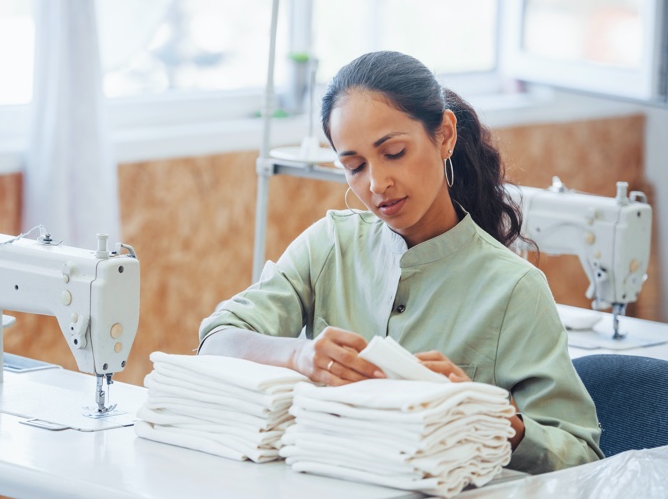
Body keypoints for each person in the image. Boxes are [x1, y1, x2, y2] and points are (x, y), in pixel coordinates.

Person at [198, 50, 603, 474]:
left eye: (393, 153)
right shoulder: (330, 245)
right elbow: (216, 341)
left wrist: (483, 414)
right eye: (354, 166)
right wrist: (299, 355)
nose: (376, 184)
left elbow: (581, 456)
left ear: (445, 135)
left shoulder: (515, 289)